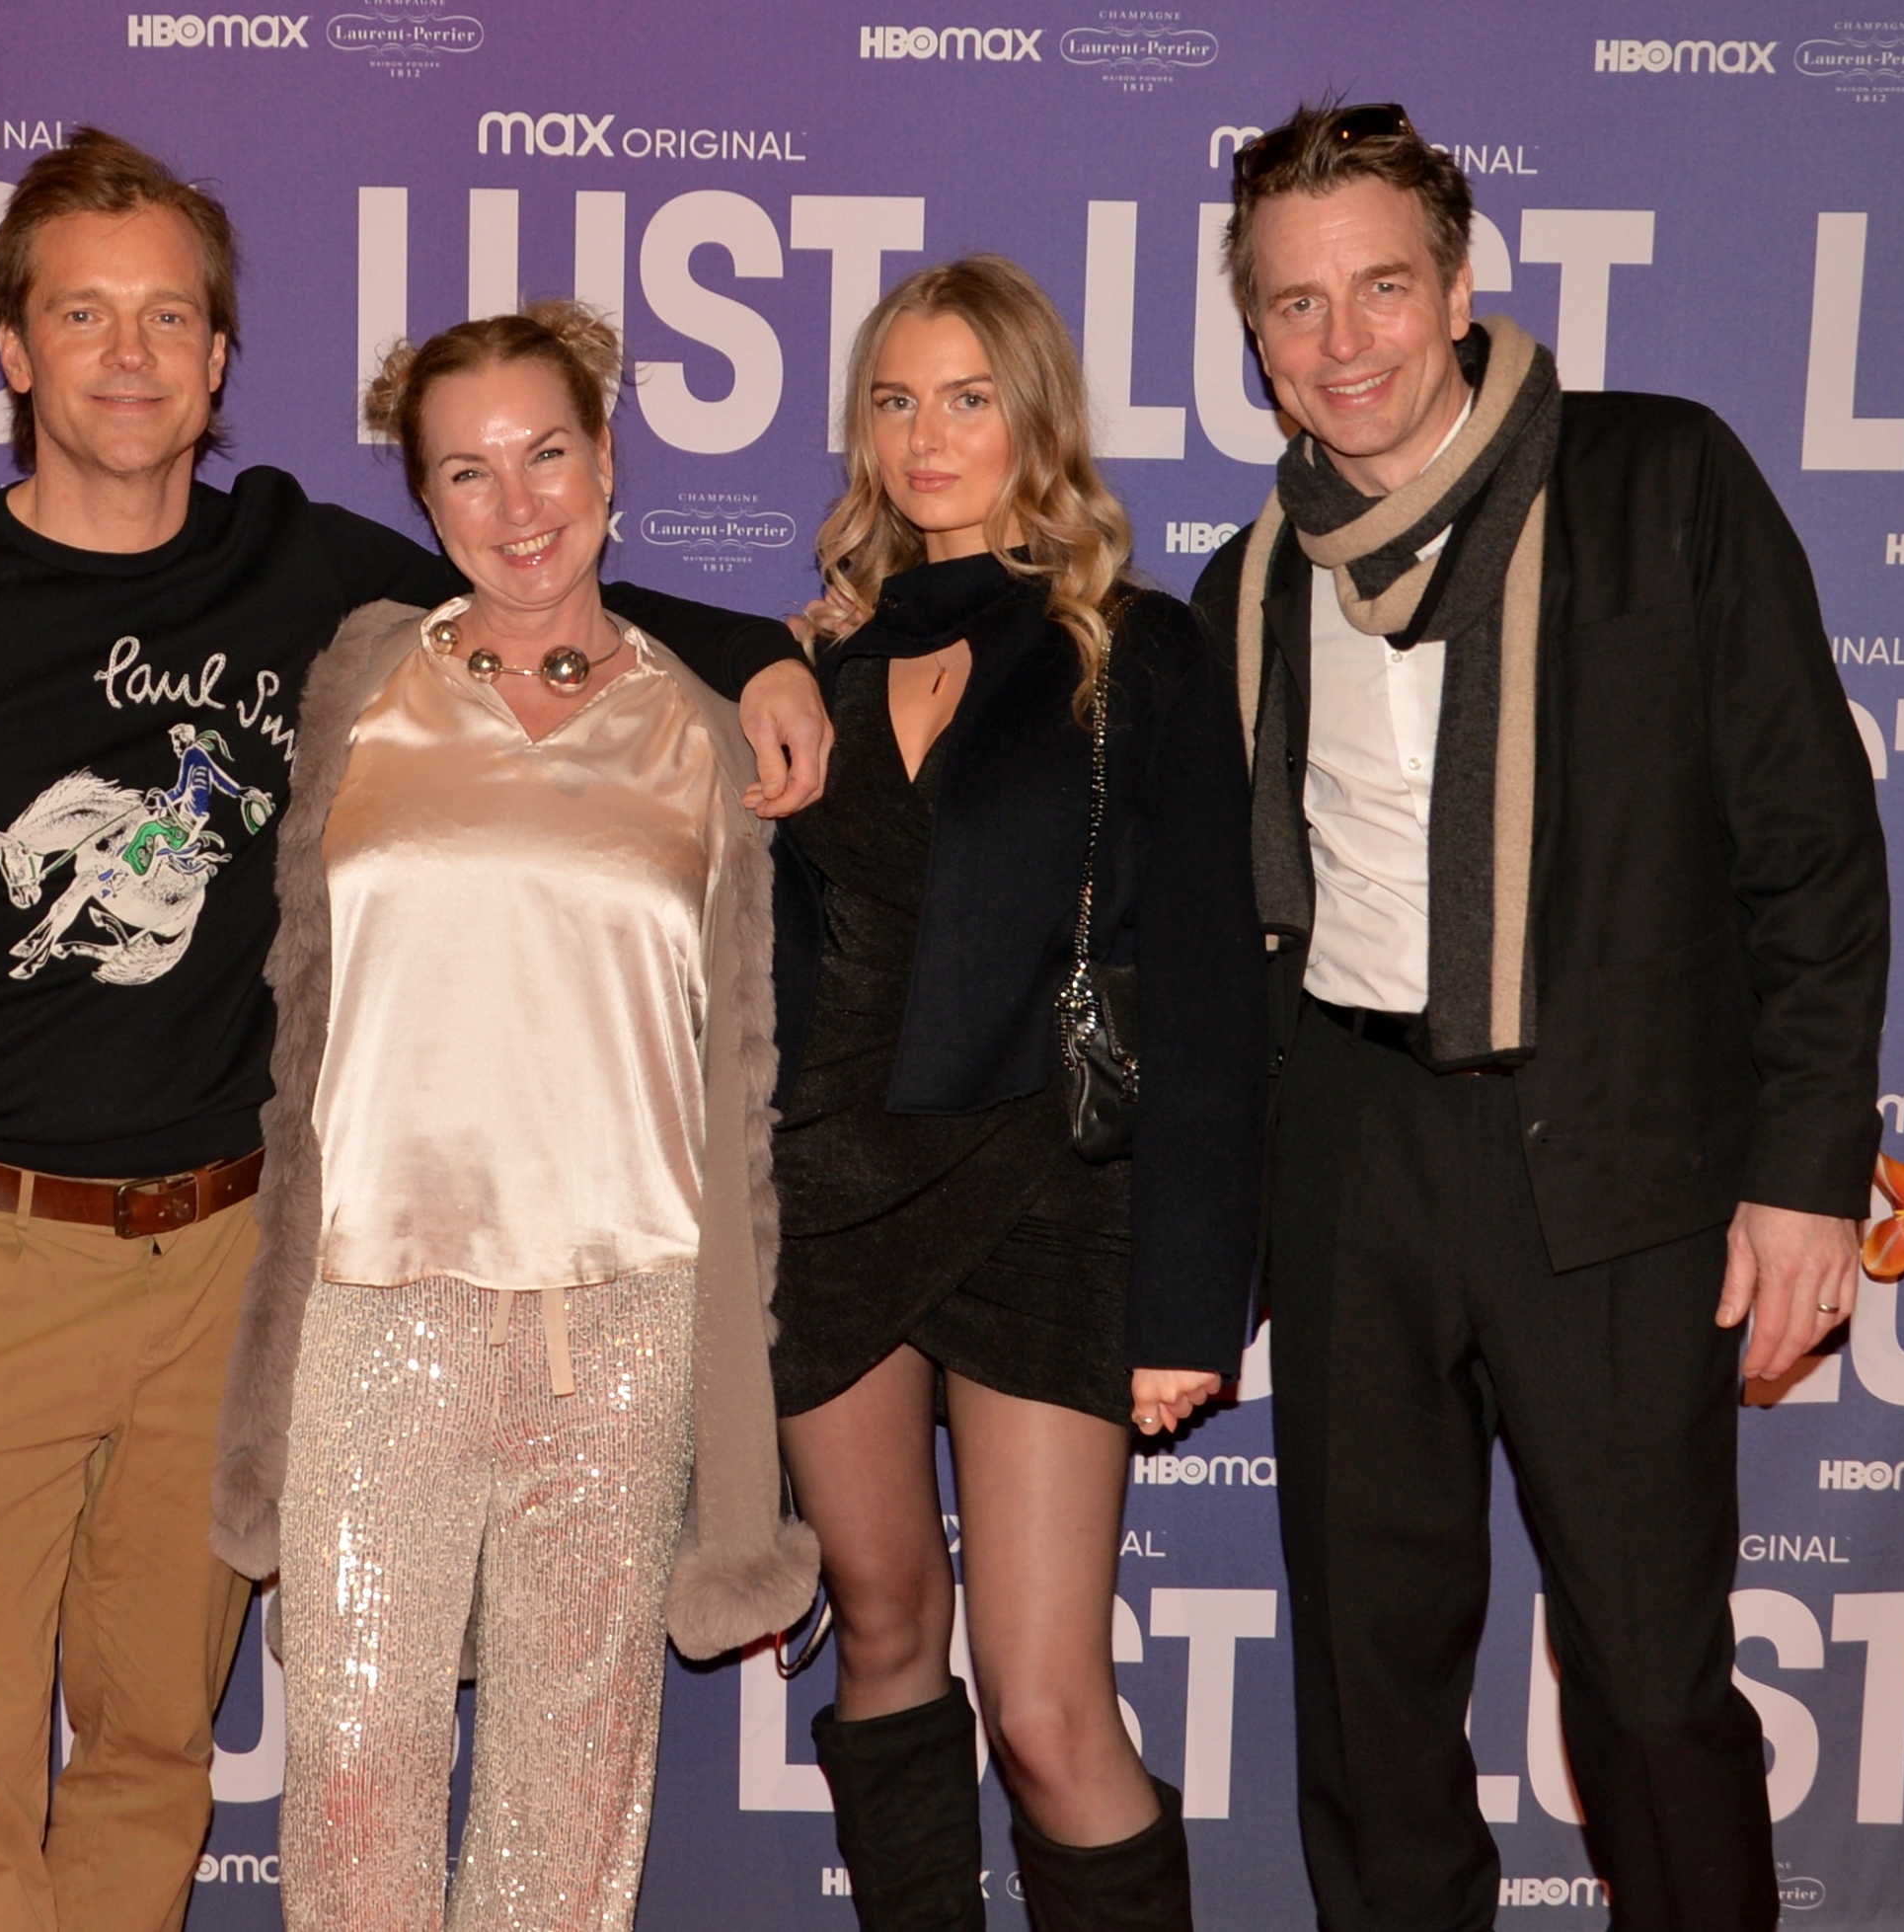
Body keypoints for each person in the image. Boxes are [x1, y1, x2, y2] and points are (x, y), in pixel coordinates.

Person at [0, 128, 824, 1932]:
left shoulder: (296, 569)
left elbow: (536, 583)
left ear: (221, 354)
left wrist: (760, 653)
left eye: (170, 314)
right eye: (84, 312)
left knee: (157, 1754)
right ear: (11, 348)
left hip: (229, 1274)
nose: (131, 352)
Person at [1190, 103, 1889, 1932]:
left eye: (1380, 287)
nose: (1342, 341)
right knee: (1367, 1688)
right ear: (1253, 334)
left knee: (1651, 1682)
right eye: (1293, 304)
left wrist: (1806, 1174)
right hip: (1349, 1150)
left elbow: (1811, 853)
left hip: (1613, 1154)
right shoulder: (1245, 586)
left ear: (1457, 289)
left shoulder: (1657, 481)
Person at [205, 301, 816, 1931]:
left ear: (607, 459)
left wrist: (762, 653)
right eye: (467, 473)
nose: (518, 503)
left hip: (622, 1323)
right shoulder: (357, 677)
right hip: (370, 1306)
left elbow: (752, 1068)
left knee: (568, 1803)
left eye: (548, 453)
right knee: (352, 1785)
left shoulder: (709, 723)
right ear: (422, 501)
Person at [769, 256, 1269, 1931]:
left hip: (1051, 1191)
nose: (927, 437)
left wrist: (1190, 1297)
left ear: (1034, 417)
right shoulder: (820, 663)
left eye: (968, 399)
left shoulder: (1136, 649)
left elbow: (1208, 988)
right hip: (833, 1193)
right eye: (894, 401)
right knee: (882, 1632)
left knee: (1048, 1708)